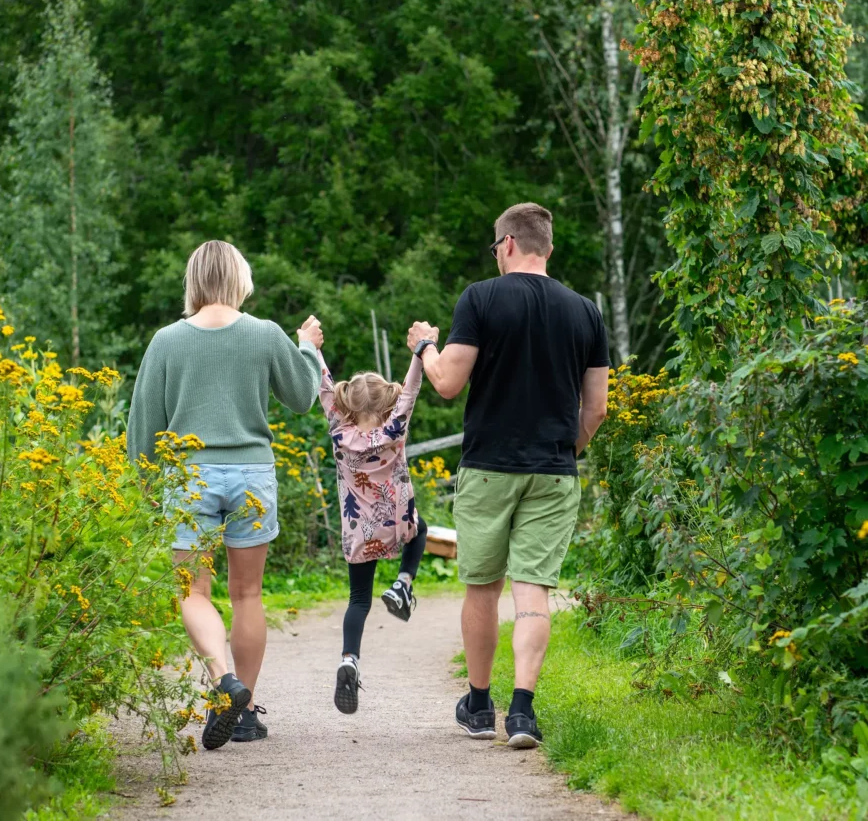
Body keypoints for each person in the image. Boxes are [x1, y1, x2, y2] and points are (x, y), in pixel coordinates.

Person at [407, 202, 609, 749]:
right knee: (533, 594)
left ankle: (477, 705)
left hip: (489, 469)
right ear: (546, 246)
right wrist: (565, 451)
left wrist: (425, 346)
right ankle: (522, 712)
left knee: (481, 588)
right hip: (554, 472)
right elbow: (596, 410)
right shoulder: (586, 312)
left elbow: (448, 382)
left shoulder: (481, 298)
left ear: (509, 244)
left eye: (495, 248)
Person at [127, 240, 323, 750]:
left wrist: (146, 486)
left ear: (192, 281)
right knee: (248, 595)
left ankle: (223, 682)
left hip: (190, 477)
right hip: (252, 475)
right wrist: (307, 345)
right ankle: (246, 713)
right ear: (240, 280)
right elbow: (302, 398)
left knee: (193, 592)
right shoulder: (264, 334)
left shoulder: (166, 341)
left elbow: (143, 425)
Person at [316, 352, 428, 715]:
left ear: (348, 406)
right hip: (396, 521)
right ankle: (403, 583)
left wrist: (314, 349)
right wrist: (419, 353)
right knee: (421, 528)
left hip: (361, 530)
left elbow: (325, 390)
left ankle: (349, 659)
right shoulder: (394, 430)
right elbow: (411, 391)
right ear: (386, 406)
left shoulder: (339, 432)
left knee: (358, 600)